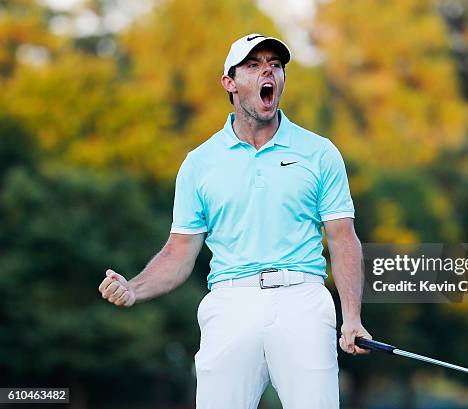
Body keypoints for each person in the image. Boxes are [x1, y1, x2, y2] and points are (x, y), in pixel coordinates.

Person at [98, 33, 371, 409]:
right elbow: (180, 252)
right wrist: (134, 288)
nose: (268, 72)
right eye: (254, 65)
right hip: (230, 302)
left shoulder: (320, 153)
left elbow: (343, 239)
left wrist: (351, 318)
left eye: (275, 65)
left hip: (303, 300)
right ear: (230, 82)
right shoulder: (199, 163)